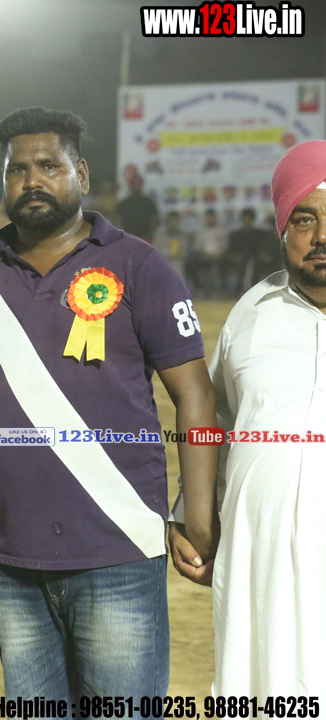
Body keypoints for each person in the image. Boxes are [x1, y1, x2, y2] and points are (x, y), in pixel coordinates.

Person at [0, 108, 217, 703]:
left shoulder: (139, 264)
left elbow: (193, 395)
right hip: (14, 560)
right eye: (17, 170)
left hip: (120, 550)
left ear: (81, 174)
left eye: (49, 166)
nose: (32, 180)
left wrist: (196, 514)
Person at [170, 140, 326, 694]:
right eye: (304, 220)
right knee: (263, 681)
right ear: (282, 229)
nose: (322, 236)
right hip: (259, 553)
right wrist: (189, 514)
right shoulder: (252, 313)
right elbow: (213, 419)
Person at [227, 207, 275, 294]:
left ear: (253, 219)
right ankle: (236, 289)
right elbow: (231, 250)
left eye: (249, 218)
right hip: (239, 258)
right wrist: (234, 257)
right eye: (245, 218)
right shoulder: (235, 235)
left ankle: (251, 288)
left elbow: (264, 246)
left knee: (254, 263)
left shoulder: (259, 233)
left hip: (256, 259)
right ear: (242, 219)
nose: (247, 221)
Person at [189, 207, 228, 297]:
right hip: (203, 257)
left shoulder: (221, 231)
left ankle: (221, 289)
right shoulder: (201, 232)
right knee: (191, 263)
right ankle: (199, 288)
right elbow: (196, 248)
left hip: (218, 257)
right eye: (208, 218)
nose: (210, 220)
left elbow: (224, 247)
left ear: (216, 218)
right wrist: (202, 254)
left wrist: (217, 255)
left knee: (225, 263)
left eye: (212, 218)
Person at [114, 176, 160, 243]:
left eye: (138, 185)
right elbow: (116, 220)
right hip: (128, 238)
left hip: (145, 238)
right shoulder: (123, 204)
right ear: (130, 186)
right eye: (134, 185)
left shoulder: (148, 203)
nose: (136, 187)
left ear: (141, 186)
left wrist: (151, 232)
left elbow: (156, 219)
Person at [154, 210, 192, 280]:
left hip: (177, 260)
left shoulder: (182, 236)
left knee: (177, 265)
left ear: (178, 222)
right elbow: (155, 250)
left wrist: (173, 255)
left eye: (175, 221)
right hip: (162, 260)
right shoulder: (159, 235)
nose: (172, 223)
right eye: (170, 220)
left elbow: (184, 253)